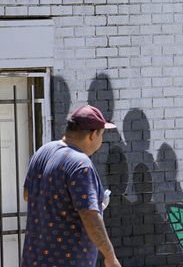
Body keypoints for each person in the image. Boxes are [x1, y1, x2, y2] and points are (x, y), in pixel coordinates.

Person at [20, 104, 122, 267]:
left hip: (34, 259)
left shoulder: (42, 152)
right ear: (92, 135)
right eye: (102, 135)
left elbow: (27, 195)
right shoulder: (81, 164)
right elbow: (90, 215)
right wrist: (110, 256)